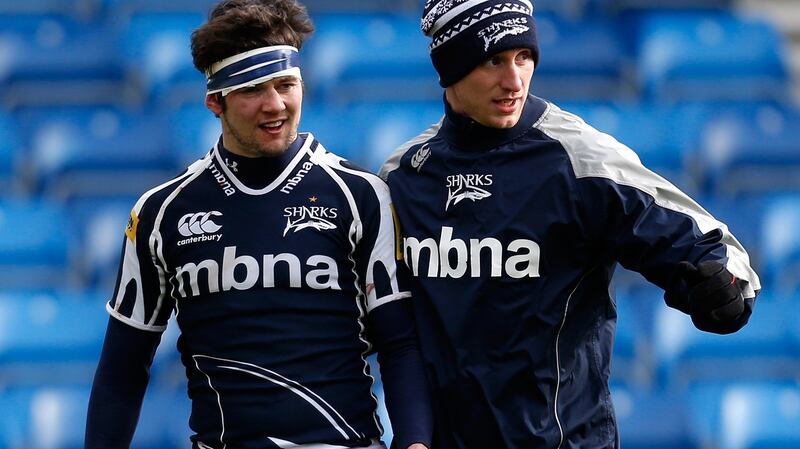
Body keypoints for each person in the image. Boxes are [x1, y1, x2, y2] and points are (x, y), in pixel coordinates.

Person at [379, 1, 761, 448]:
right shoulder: (403, 176)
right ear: (451, 69)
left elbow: (708, 246)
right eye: (493, 60)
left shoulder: (582, 158)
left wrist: (721, 285)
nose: (514, 79)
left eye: (524, 57)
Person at [84, 1, 432, 448]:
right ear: (215, 100)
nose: (275, 105)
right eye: (252, 90)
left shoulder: (361, 195)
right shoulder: (161, 212)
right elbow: (123, 367)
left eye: (286, 84)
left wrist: (416, 442)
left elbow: (400, 343)